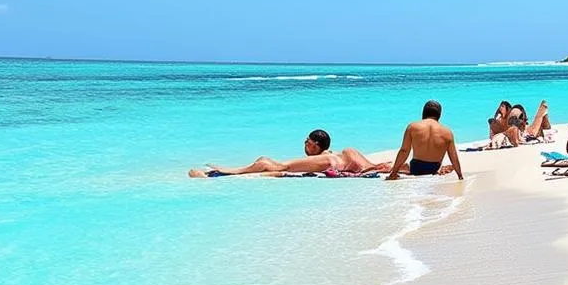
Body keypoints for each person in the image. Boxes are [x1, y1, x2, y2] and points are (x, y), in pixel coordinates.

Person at [189, 129, 394, 177]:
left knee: (266, 162)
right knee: (268, 163)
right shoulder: (344, 152)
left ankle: (215, 174)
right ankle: (218, 173)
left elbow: (285, 168)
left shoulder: (326, 158)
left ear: (315, 145)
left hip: (330, 163)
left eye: (307, 142)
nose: (305, 144)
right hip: (341, 162)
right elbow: (365, 166)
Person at [387, 100, 463, 180]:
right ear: (439, 115)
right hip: (434, 169)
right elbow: (453, 157)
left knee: (405, 166)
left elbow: (404, 150)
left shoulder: (412, 127)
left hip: (416, 168)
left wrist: (394, 172)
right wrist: (460, 176)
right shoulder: (447, 132)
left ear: (423, 113)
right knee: (450, 167)